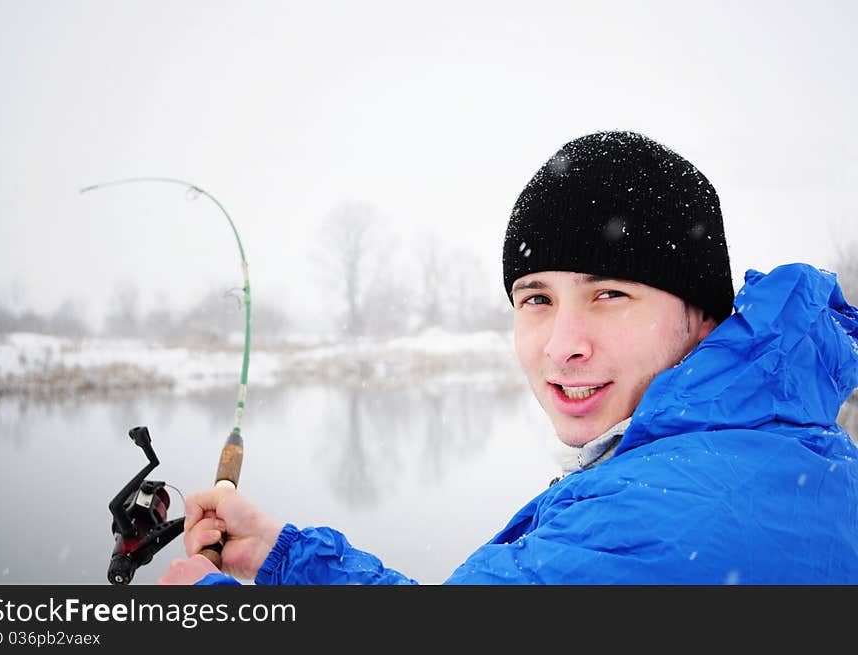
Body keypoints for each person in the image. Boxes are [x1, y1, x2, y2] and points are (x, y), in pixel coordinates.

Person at [159, 130, 858, 585]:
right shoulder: (781, 452)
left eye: (609, 292)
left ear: (702, 313)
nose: (562, 343)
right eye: (536, 299)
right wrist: (287, 559)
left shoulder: (654, 517)